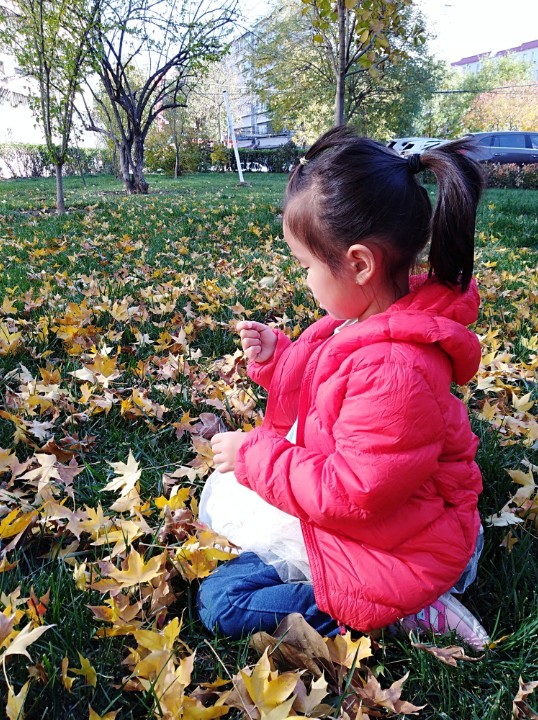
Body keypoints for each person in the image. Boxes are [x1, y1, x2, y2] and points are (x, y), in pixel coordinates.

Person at [196, 126, 490, 651]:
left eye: (306, 266)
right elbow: (327, 391)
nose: (304, 280)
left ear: (358, 263)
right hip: (374, 518)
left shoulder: (396, 367)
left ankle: (405, 610)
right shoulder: (362, 323)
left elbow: (354, 492)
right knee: (237, 548)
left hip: (396, 546)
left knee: (223, 602)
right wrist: (277, 357)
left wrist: (255, 457)